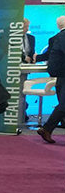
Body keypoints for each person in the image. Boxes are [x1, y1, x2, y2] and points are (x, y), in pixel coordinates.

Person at [34, 15, 65, 144]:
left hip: (60, 75)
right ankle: (47, 128)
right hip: (63, 74)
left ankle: (47, 128)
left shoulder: (57, 37)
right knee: (63, 105)